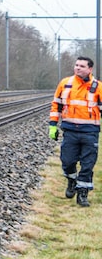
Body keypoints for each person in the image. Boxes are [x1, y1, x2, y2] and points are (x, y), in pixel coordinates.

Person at [49, 56, 99, 206]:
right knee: (67, 161)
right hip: (70, 130)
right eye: (76, 65)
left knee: (87, 164)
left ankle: (82, 194)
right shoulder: (65, 84)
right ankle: (72, 180)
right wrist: (52, 125)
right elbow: (56, 105)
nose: (78, 68)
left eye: (82, 66)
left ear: (90, 69)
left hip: (90, 132)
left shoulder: (98, 87)